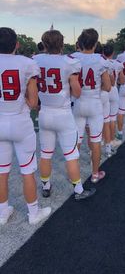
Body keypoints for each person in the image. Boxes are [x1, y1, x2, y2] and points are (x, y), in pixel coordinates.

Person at [33, 30, 95, 200]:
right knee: (71, 155)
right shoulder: (70, 62)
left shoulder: (35, 60)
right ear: (61, 43)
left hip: (45, 113)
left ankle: (46, 186)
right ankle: (79, 190)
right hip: (63, 115)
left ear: (44, 44)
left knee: (45, 153)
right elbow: (77, 92)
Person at [0, 27, 51, 225]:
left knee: (2, 169)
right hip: (20, 122)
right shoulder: (27, 63)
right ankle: (33, 213)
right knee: (27, 169)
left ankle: (3, 212)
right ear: (17, 44)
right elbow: (32, 102)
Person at [72, 29, 111, 183]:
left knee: (77, 140)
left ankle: (74, 174)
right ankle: (95, 173)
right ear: (95, 44)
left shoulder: (72, 58)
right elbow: (107, 87)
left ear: (80, 42)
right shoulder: (100, 60)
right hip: (94, 104)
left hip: (78, 103)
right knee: (95, 141)